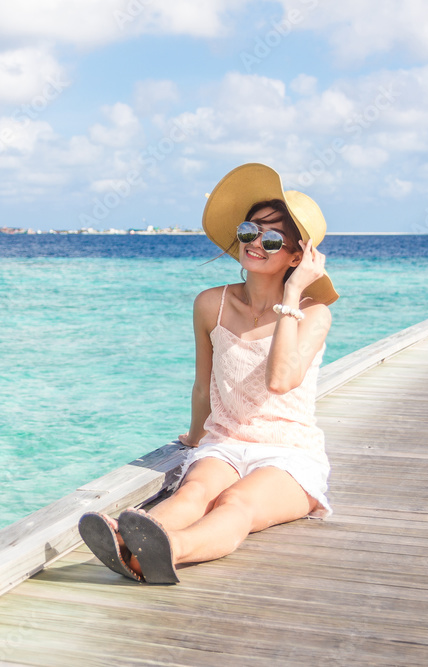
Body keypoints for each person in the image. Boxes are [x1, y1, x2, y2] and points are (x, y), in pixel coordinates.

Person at [79, 162, 340, 584]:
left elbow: (280, 380)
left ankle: (168, 551)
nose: (256, 244)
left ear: (298, 256)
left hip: (289, 454)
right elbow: (203, 384)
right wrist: (195, 437)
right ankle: (129, 542)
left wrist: (292, 293)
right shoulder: (210, 304)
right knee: (194, 492)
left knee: (235, 504)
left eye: (273, 240)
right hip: (225, 441)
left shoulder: (313, 314)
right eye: (249, 231)